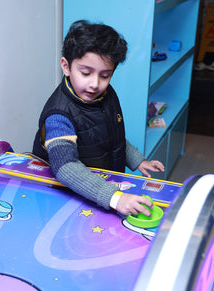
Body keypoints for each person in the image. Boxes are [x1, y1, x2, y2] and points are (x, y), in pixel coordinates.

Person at [32, 20, 164, 217]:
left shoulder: (106, 95)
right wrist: (116, 198)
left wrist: (137, 160)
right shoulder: (59, 115)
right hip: (70, 196)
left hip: (103, 187)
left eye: (105, 75)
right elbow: (66, 167)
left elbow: (110, 134)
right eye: (86, 73)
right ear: (66, 66)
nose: (95, 84)